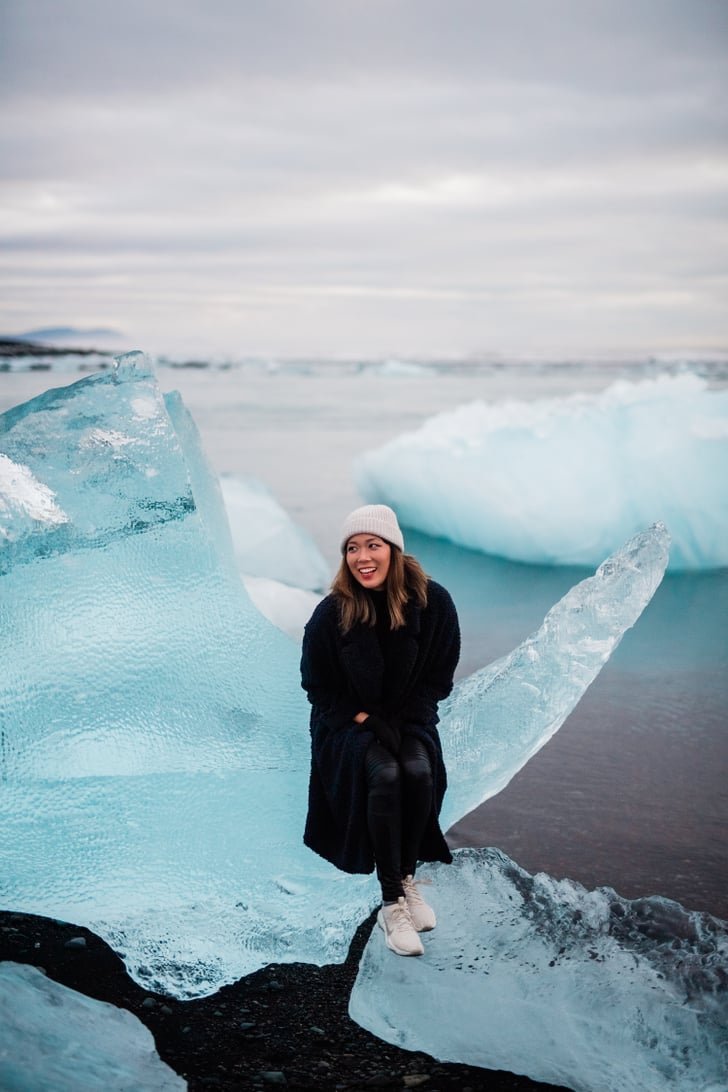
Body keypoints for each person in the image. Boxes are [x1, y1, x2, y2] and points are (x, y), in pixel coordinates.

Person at [300, 504, 460, 957]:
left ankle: (407, 880)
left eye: (373, 545)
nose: (362, 557)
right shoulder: (332, 613)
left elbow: (437, 680)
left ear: (394, 550)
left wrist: (405, 722)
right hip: (345, 725)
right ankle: (392, 904)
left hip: (410, 717)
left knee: (419, 773)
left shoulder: (433, 603)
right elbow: (319, 687)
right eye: (352, 548)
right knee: (385, 776)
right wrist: (367, 721)